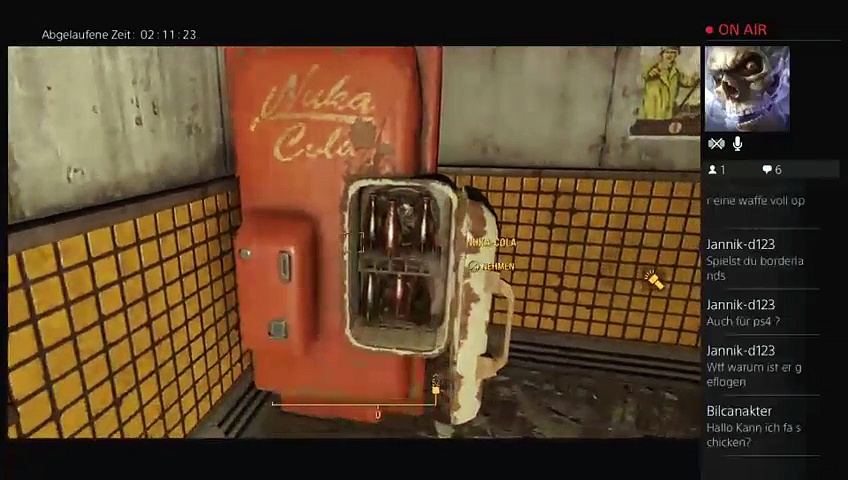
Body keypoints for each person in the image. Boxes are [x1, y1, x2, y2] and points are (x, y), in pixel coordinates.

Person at [640, 47, 700, 120]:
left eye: (672, 52)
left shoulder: (676, 74)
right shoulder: (652, 70)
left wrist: (698, 76)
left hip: (668, 116)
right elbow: (640, 80)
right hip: (652, 115)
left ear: (676, 55)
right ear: (662, 54)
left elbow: (689, 82)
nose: (669, 55)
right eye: (667, 52)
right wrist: (648, 75)